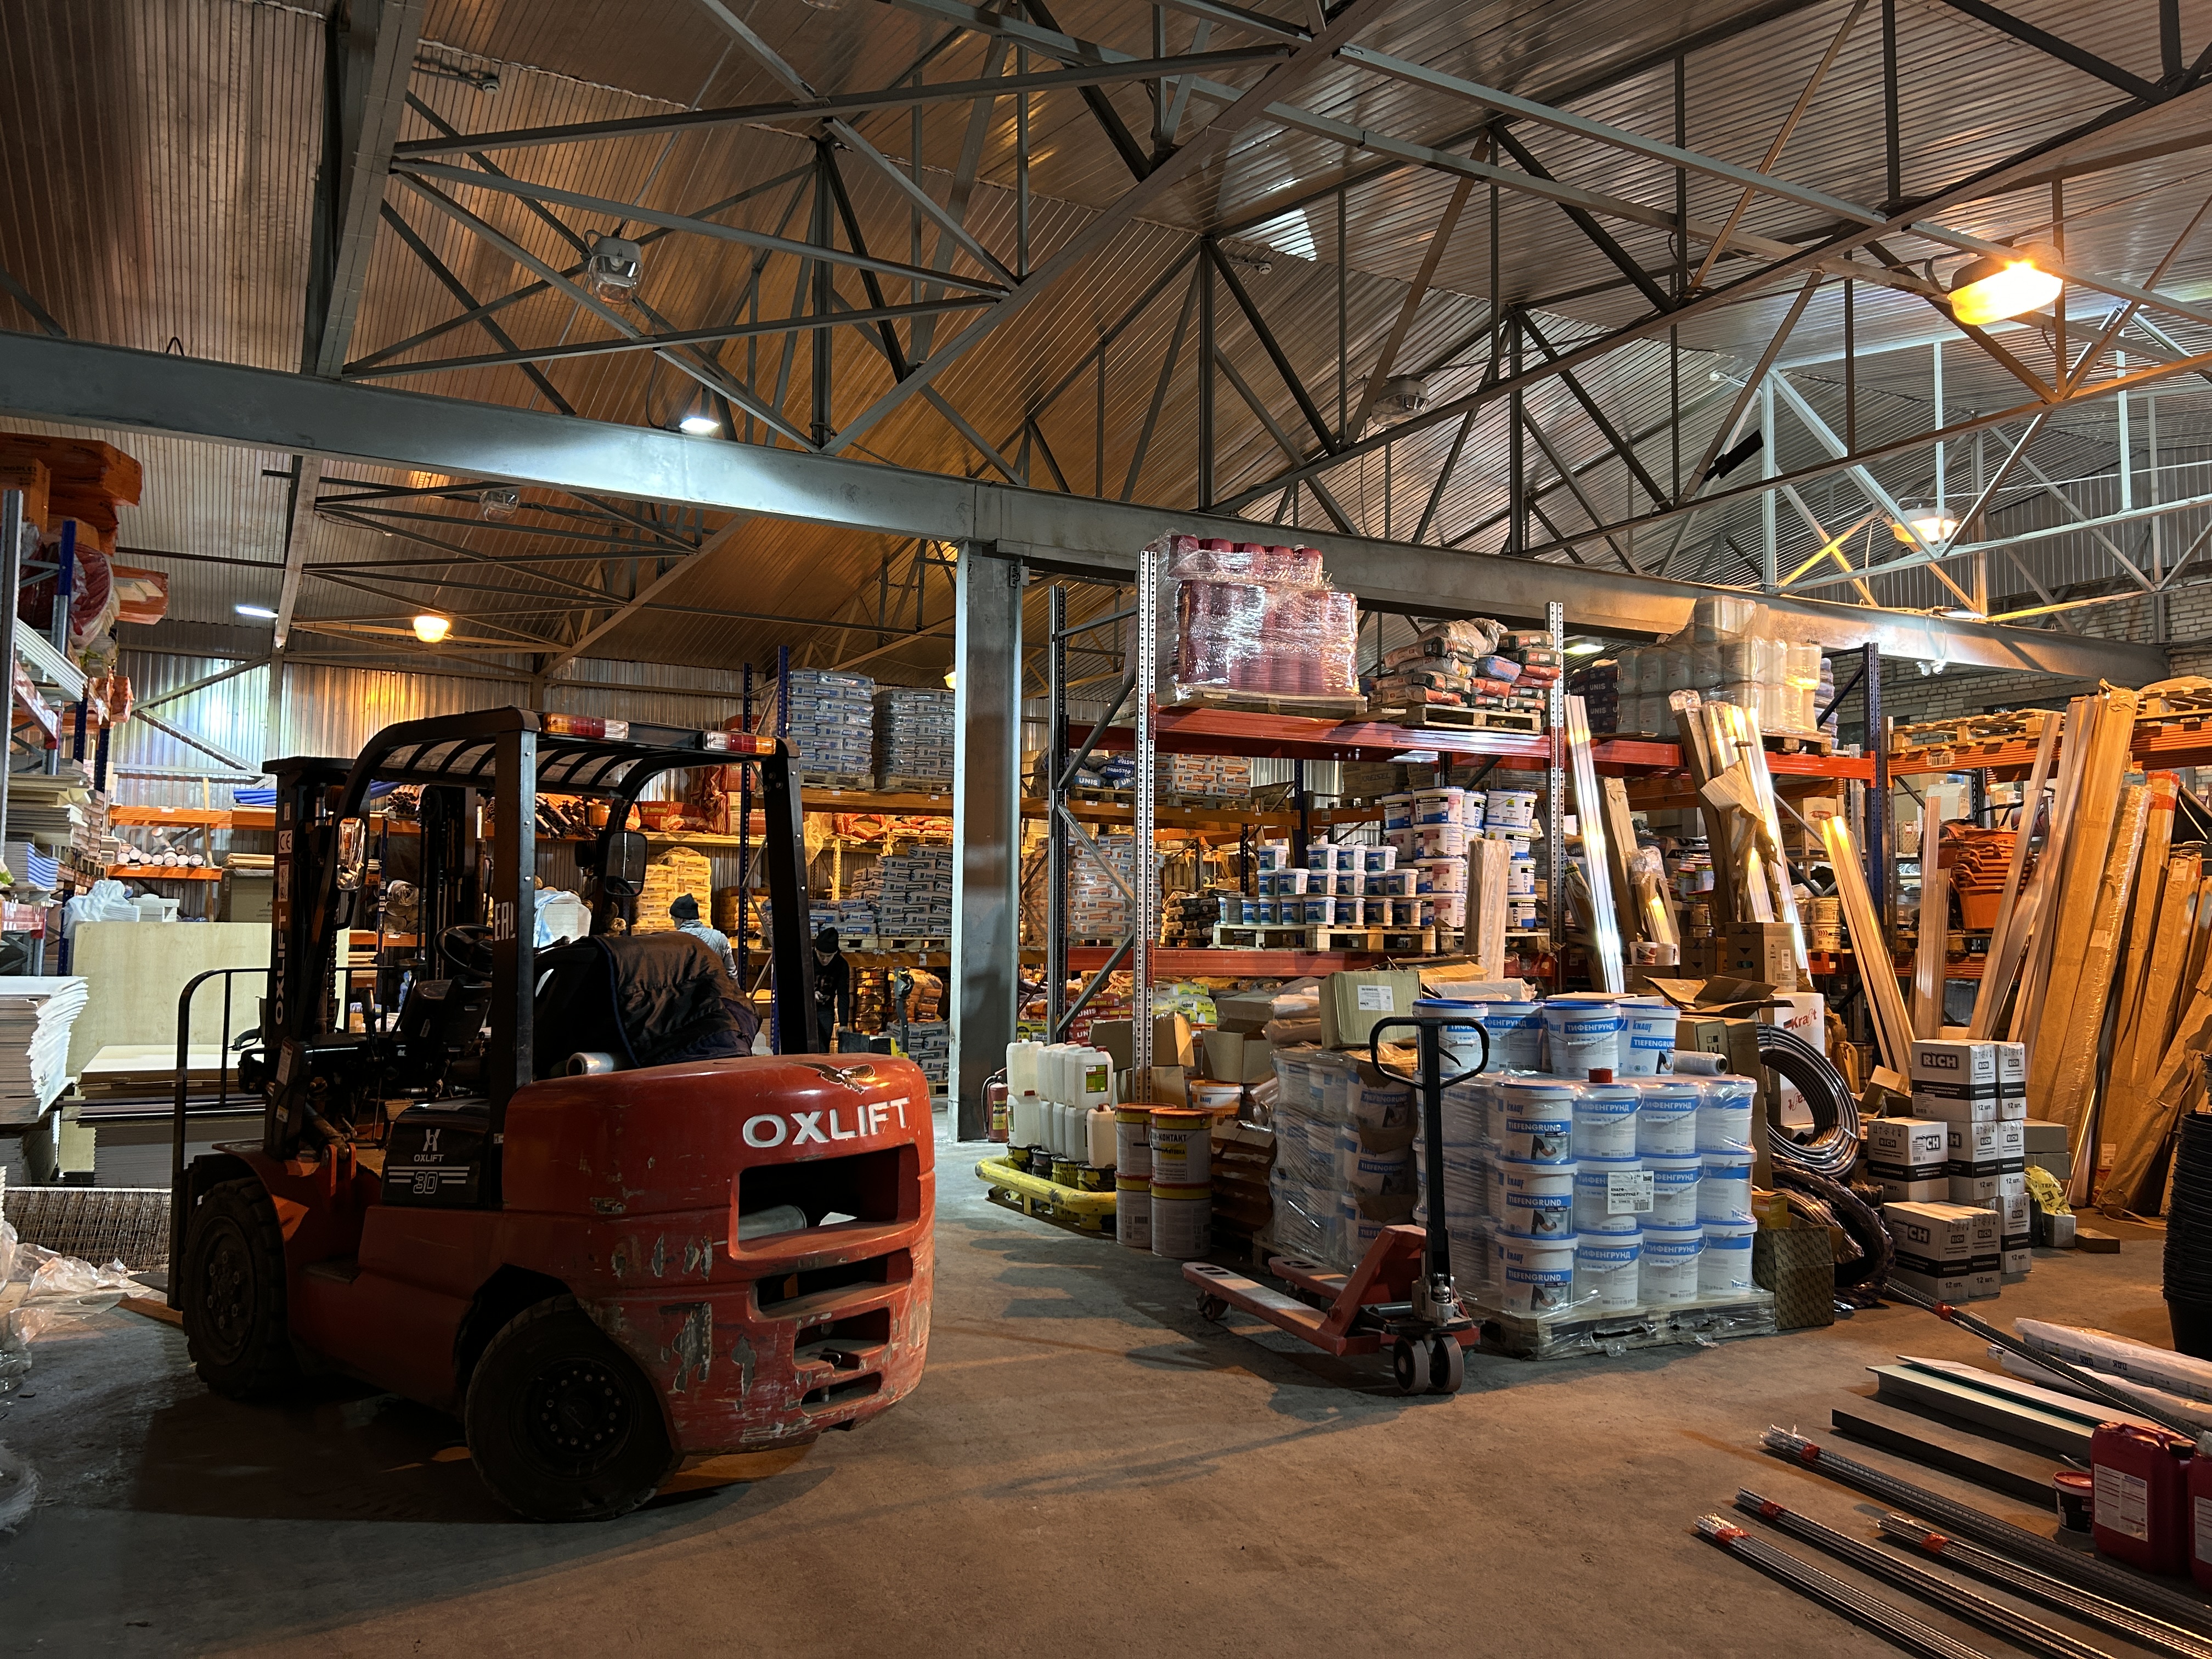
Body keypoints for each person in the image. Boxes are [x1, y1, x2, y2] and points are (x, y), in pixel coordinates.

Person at [669, 894, 738, 981]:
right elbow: (731, 973)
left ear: (681, 919)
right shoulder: (720, 938)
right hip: (714, 988)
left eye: (674, 919)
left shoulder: (673, 941)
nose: (674, 925)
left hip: (685, 989)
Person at [814, 925, 852, 1049]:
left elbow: (843, 994)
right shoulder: (807, 959)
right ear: (815, 950)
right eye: (821, 955)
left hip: (825, 1008)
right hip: (804, 1006)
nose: (824, 960)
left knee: (823, 1046)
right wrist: (810, 993)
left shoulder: (841, 965)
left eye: (829, 956)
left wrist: (844, 1024)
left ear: (835, 953)